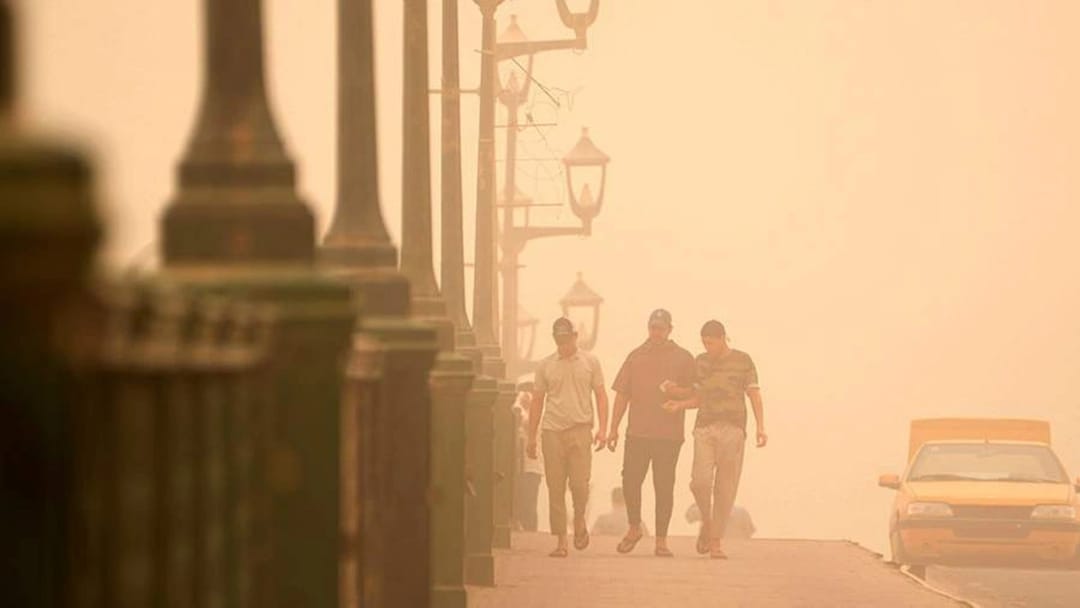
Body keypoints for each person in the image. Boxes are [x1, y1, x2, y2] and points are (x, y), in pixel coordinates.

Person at [663, 320, 767, 559]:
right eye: (704, 343)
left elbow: (754, 395)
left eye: (710, 342)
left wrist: (760, 427)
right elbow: (697, 397)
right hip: (705, 428)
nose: (707, 347)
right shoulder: (701, 362)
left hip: (733, 428)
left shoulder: (743, 361)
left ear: (722, 338)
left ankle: (716, 541)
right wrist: (678, 403)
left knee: (725, 487)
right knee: (699, 482)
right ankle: (708, 521)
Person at [606, 309, 695, 557]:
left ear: (669, 330)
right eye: (653, 328)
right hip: (638, 432)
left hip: (668, 435)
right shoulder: (635, 357)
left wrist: (676, 392)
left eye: (660, 328)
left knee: (663, 486)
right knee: (630, 480)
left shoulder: (683, 358)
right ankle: (634, 527)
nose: (656, 333)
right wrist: (613, 428)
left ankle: (661, 540)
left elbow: (696, 393)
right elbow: (622, 394)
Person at [527, 317, 609, 558]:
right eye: (559, 340)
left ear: (575, 337)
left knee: (580, 484)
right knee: (555, 487)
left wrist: (603, 429)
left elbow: (601, 395)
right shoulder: (545, 366)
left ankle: (580, 517)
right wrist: (531, 436)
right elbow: (537, 401)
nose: (563, 344)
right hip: (552, 430)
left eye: (566, 339)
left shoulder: (590, 362)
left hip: (580, 429)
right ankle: (561, 540)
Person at [513, 389, 542, 532]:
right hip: (518, 467)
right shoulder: (518, 412)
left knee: (530, 503)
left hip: (532, 467)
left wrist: (523, 405)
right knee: (520, 502)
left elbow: (528, 424)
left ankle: (531, 531)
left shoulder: (537, 416)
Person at [686, 503, 756, 540]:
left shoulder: (709, 510)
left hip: (720, 545)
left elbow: (689, 517)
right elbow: (750, 532)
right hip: (740, 545)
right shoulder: (742, 511)